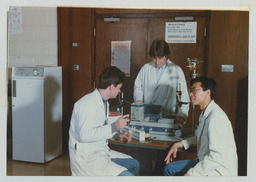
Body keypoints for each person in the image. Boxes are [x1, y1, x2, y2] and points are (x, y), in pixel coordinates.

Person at [68, 66, 140, 176]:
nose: (120, 91)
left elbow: (99, 130)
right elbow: (84, 135)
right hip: (87, 159)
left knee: (134, 164)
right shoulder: (86, 104)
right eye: (119, 88)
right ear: (111, 87)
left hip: (100, 151)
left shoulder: (103, 102)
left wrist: (117, 135)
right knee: (128, 177)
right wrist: (114, 126)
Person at [164, 76, 238, 176]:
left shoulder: (216, 117)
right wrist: (180, 144)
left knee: (174, 171)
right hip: (207, 162)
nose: (190, 94)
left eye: (194, 91)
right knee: (169, 168)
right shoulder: (204, 113)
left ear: (208, 92)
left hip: (218, 170)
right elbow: (199, 137)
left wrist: (191, 174)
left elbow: (217, 156)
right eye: (190, 91)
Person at [133, 39, 189, 122]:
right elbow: (138, 86)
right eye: (154, 58)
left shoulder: (176, 70)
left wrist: (182, 114)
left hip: (168, 116)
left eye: (160, 58)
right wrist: (138, 100)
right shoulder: (146, 68)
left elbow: (183, 95)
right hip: (147, 115)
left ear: (166, 56)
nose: (157, 62)